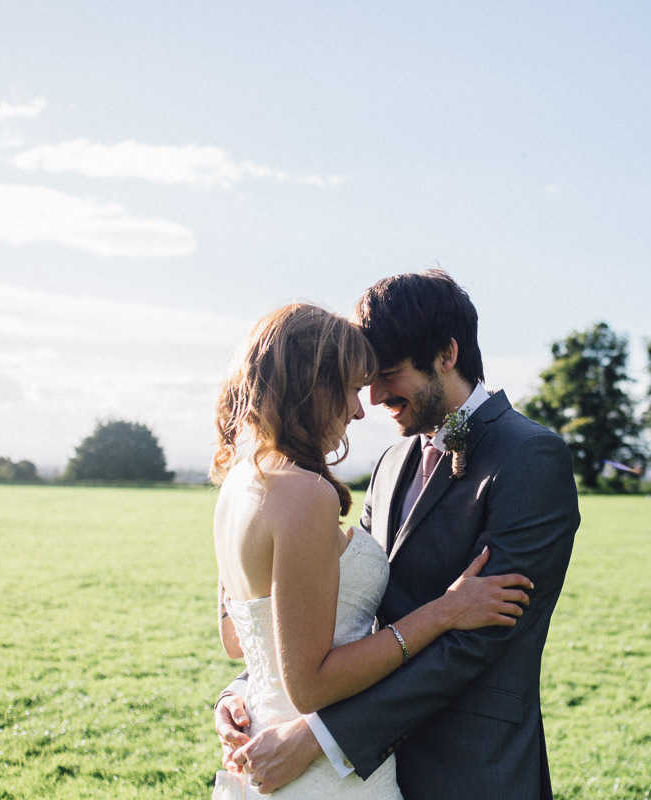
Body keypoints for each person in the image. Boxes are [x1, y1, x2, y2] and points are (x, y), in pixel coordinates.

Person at [217, 272, 580, 799]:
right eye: (365, 380)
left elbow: (475, 640)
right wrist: (249, 689)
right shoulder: (390, 462)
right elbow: (338, 606)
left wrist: (319, 735)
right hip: (365, 768)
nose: (373, 396)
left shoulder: (531, 457)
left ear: (447, 354)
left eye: (388, 374)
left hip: (466, 769)